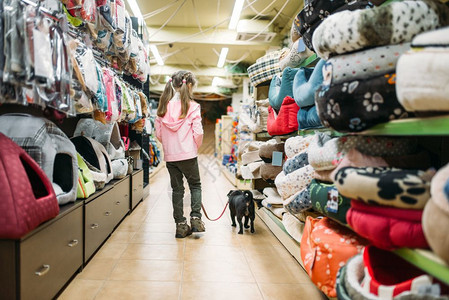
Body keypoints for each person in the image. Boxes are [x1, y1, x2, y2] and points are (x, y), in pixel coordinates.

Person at [155, 70, 205, 238]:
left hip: (171, 157)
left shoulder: (162, 107)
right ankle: (196, 218)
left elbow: (158, 134)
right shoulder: (193, 107)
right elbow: (198, 132)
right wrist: (193, 147)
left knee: (177, 189)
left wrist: (169, 146)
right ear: (188, 85)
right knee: (195, 185)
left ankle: (181, 225)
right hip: (188, 155)